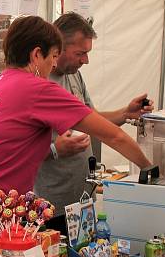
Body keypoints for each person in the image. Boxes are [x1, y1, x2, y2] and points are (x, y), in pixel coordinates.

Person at [0, 16, 152, 257]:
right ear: (36, 54)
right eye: (53, 55)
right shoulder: (39, 89)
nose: (55, 63)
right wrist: (150, 170)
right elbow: (111, 134)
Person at [34, 12, 153, 234]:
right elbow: (16, 150)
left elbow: (93, 119)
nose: (85, 60)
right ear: (58, 46)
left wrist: (126, 113)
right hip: (50, 206)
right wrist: (54, 149)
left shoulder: (73, 75)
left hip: (82, 198)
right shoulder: (38, 85)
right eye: (80, 53)